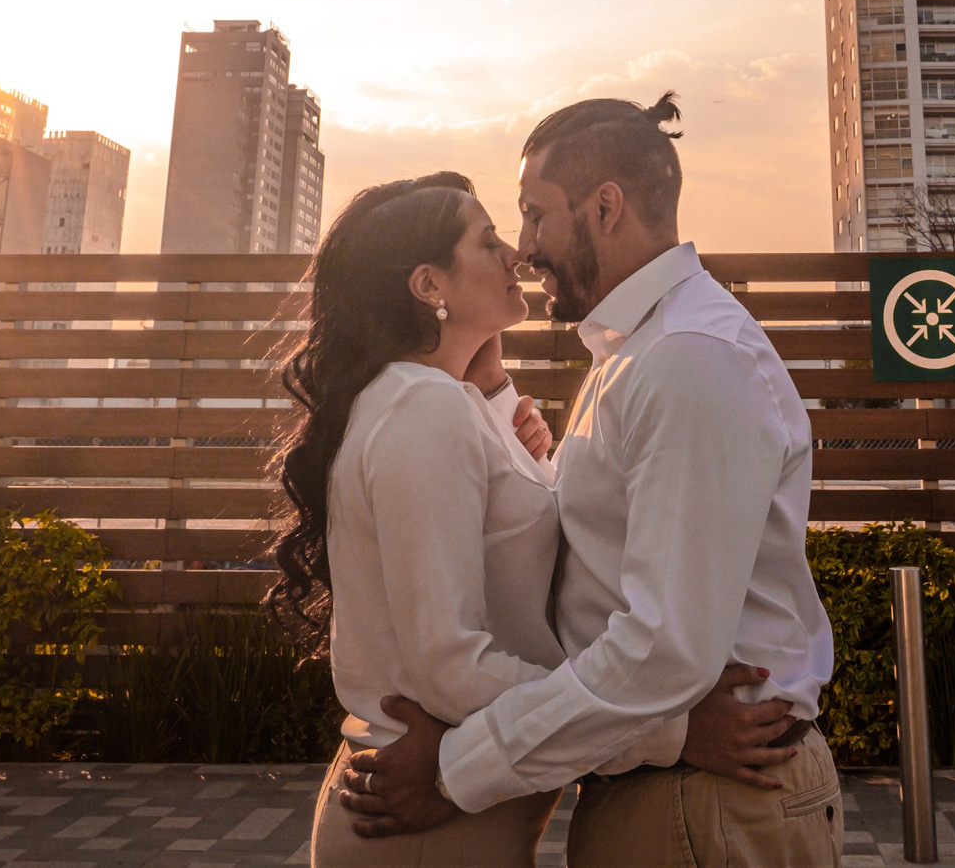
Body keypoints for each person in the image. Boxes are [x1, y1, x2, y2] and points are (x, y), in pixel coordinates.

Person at [339, 96, 841, 868]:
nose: (524, 247)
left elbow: (661, 652)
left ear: (606, 207)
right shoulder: (635, 353)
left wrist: (454, 769)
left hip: (710, 801)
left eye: (534, 215)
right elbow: (588, 561)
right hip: (673, 791)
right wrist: (495, 396)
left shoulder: (686, 357)